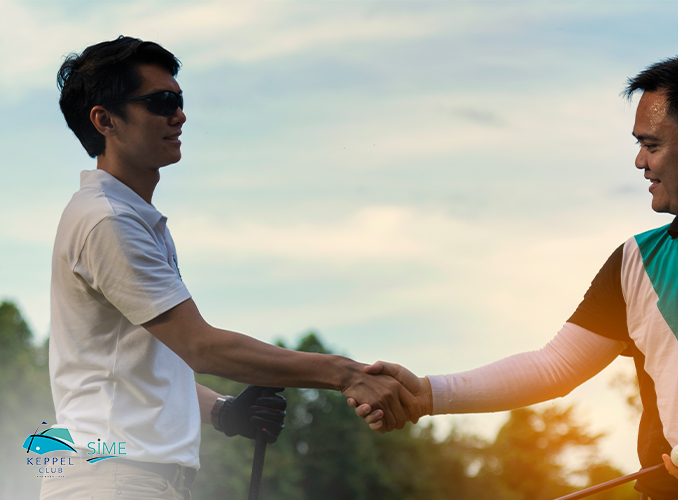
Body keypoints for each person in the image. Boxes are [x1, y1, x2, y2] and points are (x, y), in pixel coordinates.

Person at [351, 53, 678, 500]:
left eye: (653, 145)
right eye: (638, 145)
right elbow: (556, 366)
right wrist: (427, 394)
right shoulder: (635, 260)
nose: (640, 161)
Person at [45, 36, 421, 500]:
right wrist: (347, 373)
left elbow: (143, 369)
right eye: (161, 102)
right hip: (117, 480)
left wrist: (225, 412)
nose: (178, 115)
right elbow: (200, 346)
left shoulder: (126, 216)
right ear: (105, 120)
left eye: (179, 101)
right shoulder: (109, 220)